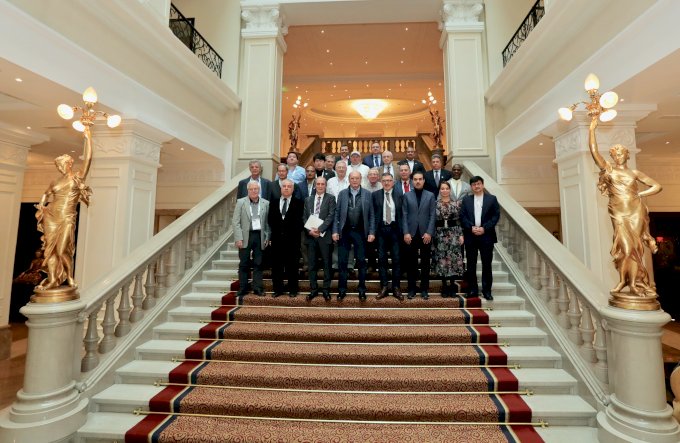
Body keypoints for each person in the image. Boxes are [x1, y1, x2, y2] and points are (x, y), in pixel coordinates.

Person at [588, 115, 662, 296]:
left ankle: (634, 284)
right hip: (618, 212)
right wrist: (591, 129)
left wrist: (640, 194)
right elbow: (594, 152)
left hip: (635, 211)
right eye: (615, 154)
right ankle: (623, 281)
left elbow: (657, 186)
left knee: (635, 249)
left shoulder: (634, 173)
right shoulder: (609, 170)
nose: (618, 156)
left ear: (627, 155)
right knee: (624, 249)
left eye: (621, 153)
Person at [35, 128, 93, 290]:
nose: (59, 168)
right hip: (51, 216)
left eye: (61, 165)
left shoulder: (77, 177)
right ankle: (53, 279)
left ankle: (70, 277)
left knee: (62, 250)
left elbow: (88, 159)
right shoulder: (55, 182)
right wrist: (42, 205)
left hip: (67, 217)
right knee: (50, 251)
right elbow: (46, 194)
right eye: (57, 166)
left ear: (69, 163)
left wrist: (88, 137)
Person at [333, 171, 375, 301]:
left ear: (361, 179)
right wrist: (335, 231)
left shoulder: (367, 194)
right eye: (352, 178)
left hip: (360, 232)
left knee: (361, 262)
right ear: (349, 179)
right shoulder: (342, 194)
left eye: (357, 178)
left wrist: (372, 232)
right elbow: (337, 213)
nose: (355, 180)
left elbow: (372, 215)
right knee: (342, 262)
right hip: (345, 232)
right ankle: (342, 290)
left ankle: (362, 290)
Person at [460, 176, 500, 301]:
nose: (476, 186)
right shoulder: (466, 200)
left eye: (478, 184)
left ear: (482, 185)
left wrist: (484, 228)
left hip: (486, 236)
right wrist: (470, 227)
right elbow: (462, 216)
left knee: (486, 264)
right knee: (471, 265)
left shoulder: (492, 199)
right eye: (474, 184)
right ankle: (473, 290)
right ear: (471, 187)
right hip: (470, 236)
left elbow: (495, 216)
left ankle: (487, 291)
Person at [401, 171, 436, 299]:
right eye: (415, 179)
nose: (418, 181)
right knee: (411, 263)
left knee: (425, 263)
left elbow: (433, 215)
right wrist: (406, 232)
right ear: (412, 181)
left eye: (420, 179)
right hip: (411, 234)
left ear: (424, 181)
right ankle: (411, 289)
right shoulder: (407, 196)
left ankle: (424, 289)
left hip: (425, 234)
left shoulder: (430, 195)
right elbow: (404, 215)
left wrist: (429, 232)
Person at [232, 181, 270, 296]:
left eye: (256, 189)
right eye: (251, 189)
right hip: (245, 236)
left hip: (259, 236)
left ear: (259, 190)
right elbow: (235, 222)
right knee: (244, 263)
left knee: (258, 263)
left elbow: (268, 223)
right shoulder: (241, 202)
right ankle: (243, 288)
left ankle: (257, 288)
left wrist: (267, 236)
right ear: (248, 190)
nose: (254, 191)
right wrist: (238, 238)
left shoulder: (266, 203)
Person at [268, 179, 303, 297]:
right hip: (277, 240)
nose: (286, 188)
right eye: (284, 186)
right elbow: (270, 220)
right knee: (276, 266)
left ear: (293, 189)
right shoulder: (273, 202)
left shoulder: (299, 203)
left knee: (292, 266)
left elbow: (300, 222)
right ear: (281, 188)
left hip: (292, 241)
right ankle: (278, 289)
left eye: (289, 186)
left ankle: (293, 289)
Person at [372, 173, 403, 300]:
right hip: (381, 231)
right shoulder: (375, 195)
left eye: (389, 180)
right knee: (382, 260)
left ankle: (396, 287)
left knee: (397, 260)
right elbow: (372, 215)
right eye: (384, 180)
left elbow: (403, 214)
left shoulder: (400, 195)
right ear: (381, 181)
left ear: (393, 182)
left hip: (395, 230)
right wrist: (372, 232)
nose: (386, 183)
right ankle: (384, 287)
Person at [304, 177, 336, 301]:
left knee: (327, 264)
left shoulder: (331, 198)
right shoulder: (308, 199)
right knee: (312, 264)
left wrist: (320, 229)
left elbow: (331, 215)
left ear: (325, 186)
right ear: (315, 186)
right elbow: (304, 217)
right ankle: (313, 289)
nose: (320, 186)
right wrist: (310, 231)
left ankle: (326, 290)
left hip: (325, 236)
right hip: (311, 236)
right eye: (318, 184)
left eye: (323, 184)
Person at [432, 181, 465, 297]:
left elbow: (459, 220)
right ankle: (444, 286)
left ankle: (452, 286)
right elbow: (432, 220)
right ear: (439, 190)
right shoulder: (435, 204)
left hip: (453, 234)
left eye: (447, 188)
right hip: (440, 234)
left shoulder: (456, 204)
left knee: (453, 259)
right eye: (442, 188)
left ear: (450, 190)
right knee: (442, 259)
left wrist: (461, 235)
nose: (444, 190)